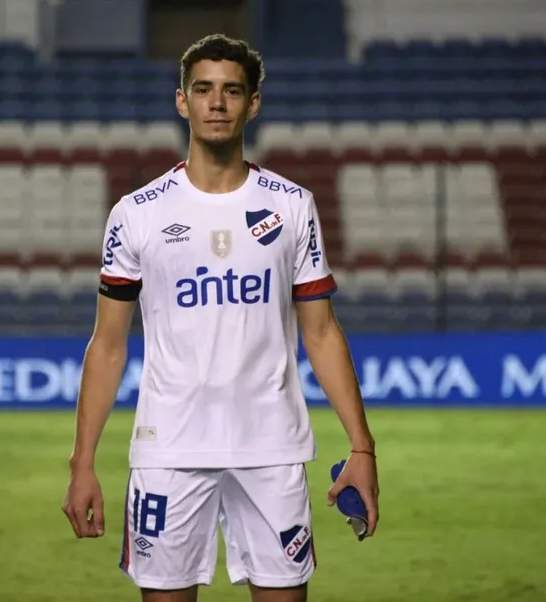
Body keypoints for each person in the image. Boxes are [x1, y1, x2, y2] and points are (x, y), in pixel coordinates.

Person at [62, 34, 379, 602]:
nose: (216, 102)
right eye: (203, 89)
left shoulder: (291, 205)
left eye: (232, 91)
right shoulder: (136, 214)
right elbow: (107, 345)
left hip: (272, 448)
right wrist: (82, 462)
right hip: (169, 452)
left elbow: (322, 331)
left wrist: (362, 447)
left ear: (252, 104)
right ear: (181, 100)